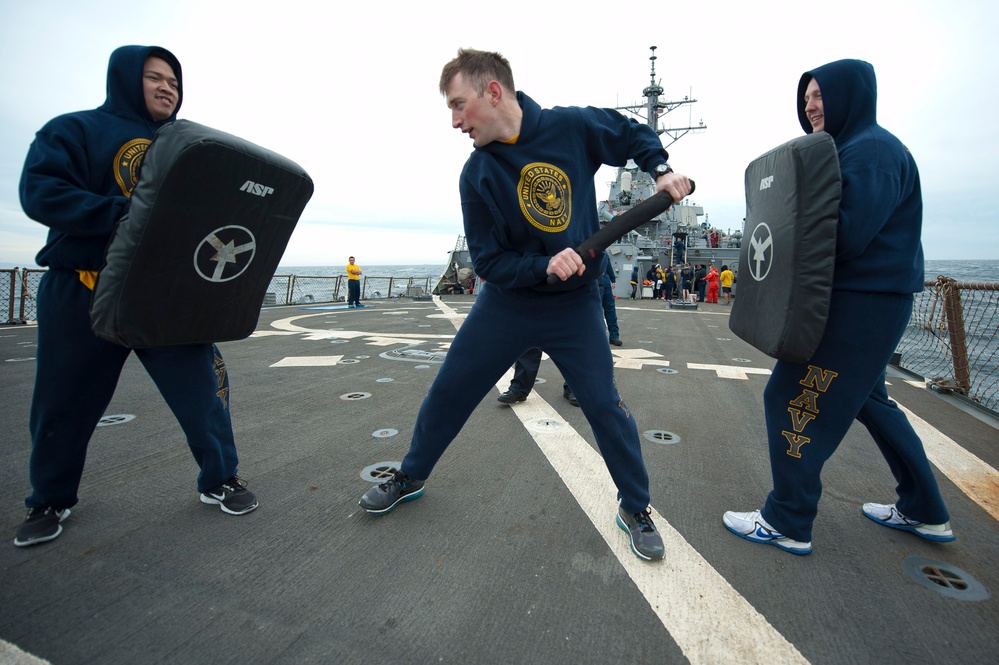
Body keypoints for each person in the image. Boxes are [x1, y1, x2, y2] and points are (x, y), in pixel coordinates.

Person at [359, 48, 692, 562]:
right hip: (507, 303)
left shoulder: (570, 128)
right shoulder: (477, 174)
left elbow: (630, 133)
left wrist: (661, 168)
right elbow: (489, 261)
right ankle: (411, 473)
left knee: (604, 404)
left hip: (576, 303)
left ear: (493, 92)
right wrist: (541, 265)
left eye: (458, 105)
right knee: (451, 389)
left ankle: (636, 506)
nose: (453, 121)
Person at [14, 45, 257, 548]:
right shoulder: (74, 131)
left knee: (203, 392)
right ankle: (48, 498)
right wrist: (124, 217)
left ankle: (220, 478)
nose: (166, 86)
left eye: (173, 79)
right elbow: (40, 192)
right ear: (125, 79)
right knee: (64, 401)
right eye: (153, 77)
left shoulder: (193, 148)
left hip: (165, 293)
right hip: (82, 286)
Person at [723, 59, 954, 555]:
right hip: (870, 302)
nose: (811, 107)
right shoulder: (851, 149)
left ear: (852, 96)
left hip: (858, 304)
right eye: (806, 99)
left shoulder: (869, 152)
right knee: (872, 403)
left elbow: (846, 235)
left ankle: (788, 518)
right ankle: (925, 509)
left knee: (789, 400)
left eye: (821, 96)